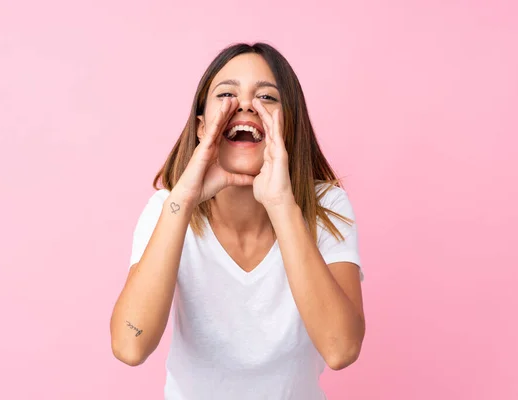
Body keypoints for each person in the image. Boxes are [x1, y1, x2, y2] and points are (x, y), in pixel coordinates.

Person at [110, 42, 366, 400]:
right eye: (227, 93)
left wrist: (281, 204)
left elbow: (341, 349)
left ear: (289, 126)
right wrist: (182, 200)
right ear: (201, 127)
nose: (245, 104)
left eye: (267, 97)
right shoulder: (166, 209)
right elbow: (129, 345)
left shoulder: (327, 206)